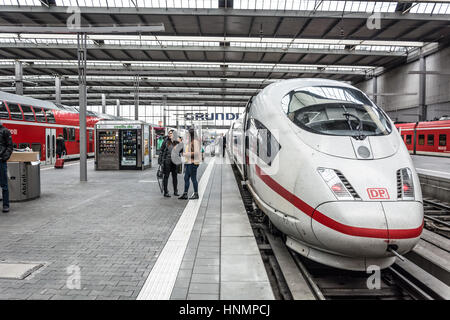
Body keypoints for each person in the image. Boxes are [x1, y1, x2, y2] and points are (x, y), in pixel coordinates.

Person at [179, 129, 201, 200]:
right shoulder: (190, 141)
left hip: (193, 163)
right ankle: (185, 194)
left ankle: (196, 194)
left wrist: (186, 154)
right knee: (186, 178)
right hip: (189, 162)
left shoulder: (195, 142)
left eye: (188, 134)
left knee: (193, 178)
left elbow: (197, 153)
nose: (187, 135)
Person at [159, 130, 179, 197]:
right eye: (169, 133)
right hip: (167, 161)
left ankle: (175, 191)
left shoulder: (176, 141)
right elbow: (161, 150)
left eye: (171, 133)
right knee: (166, 176)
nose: (170, 134)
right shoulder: (165, 141)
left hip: (174, 161)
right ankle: (165, 192)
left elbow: (181, 150)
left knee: (175, 177)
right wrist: (160, 161)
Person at [0, 123, 13, 213]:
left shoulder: (5, 131)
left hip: (1, 161)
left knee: (4, 184)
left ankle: (6, 205)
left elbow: (10, 146)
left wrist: (3, 158)